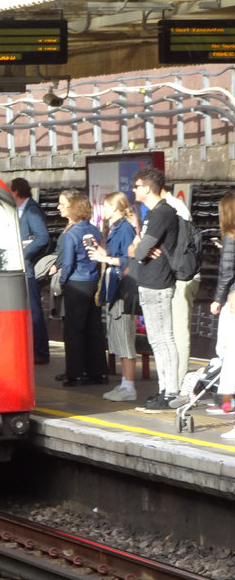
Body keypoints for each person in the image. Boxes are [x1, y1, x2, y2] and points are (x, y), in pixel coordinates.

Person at [130, 166, 182, 410]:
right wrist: (139, 247)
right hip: (149, 280)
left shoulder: (162, 213)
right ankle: (163, 389)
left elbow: (138, 250)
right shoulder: (152, 213)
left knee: (163, 339)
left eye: (137, 186)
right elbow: (136, 250)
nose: (134, 190)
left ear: (148, 188)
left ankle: (171, 392)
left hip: (159, 282)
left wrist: (140, 247)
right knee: (156, 340)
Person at [50, 189, 107, 385]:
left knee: (73, 330)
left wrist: (64, 281)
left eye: (62, 204)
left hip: (75, 283)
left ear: (73, 207)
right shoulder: (93, 230)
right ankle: (96, 372)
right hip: (92, 282)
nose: (59, 208)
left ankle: (74, 373)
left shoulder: (71, 234)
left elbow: (68, 263)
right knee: (93, 328)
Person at [87, 191, 139, 402]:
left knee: (125, 337)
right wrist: (101, 251)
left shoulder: (125, 229)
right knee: (118, 335)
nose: (104, 210)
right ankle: (125, 384)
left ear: (116, 208)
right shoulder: (116, 228)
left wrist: (105, 257)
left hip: (123, 288)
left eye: (107, 206)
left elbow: (129, 260)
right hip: (115, 288)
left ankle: (129, 385)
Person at [162, 188, 201, 393]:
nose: (134, 190)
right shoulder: (171, 207)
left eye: (138, 186)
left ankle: (178, 383)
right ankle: (173, 381)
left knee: (179, 330)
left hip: (183, 276)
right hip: (178, 275)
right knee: (174, 330)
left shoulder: (173, 208)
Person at [11, 177, 50, 364]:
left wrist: (24, 252)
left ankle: (40, 351)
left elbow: (42, 237)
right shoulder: (21, 209)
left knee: (34, 310)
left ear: (16, 192)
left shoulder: (31, 210)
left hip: (29, 267)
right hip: (23, 267)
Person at [208, 192, 235, 437]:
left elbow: (227, 271)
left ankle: (227, 402)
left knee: (228, 352)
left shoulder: (231, 236)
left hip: (234, 301)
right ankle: (227, 402)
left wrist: (217, 299)